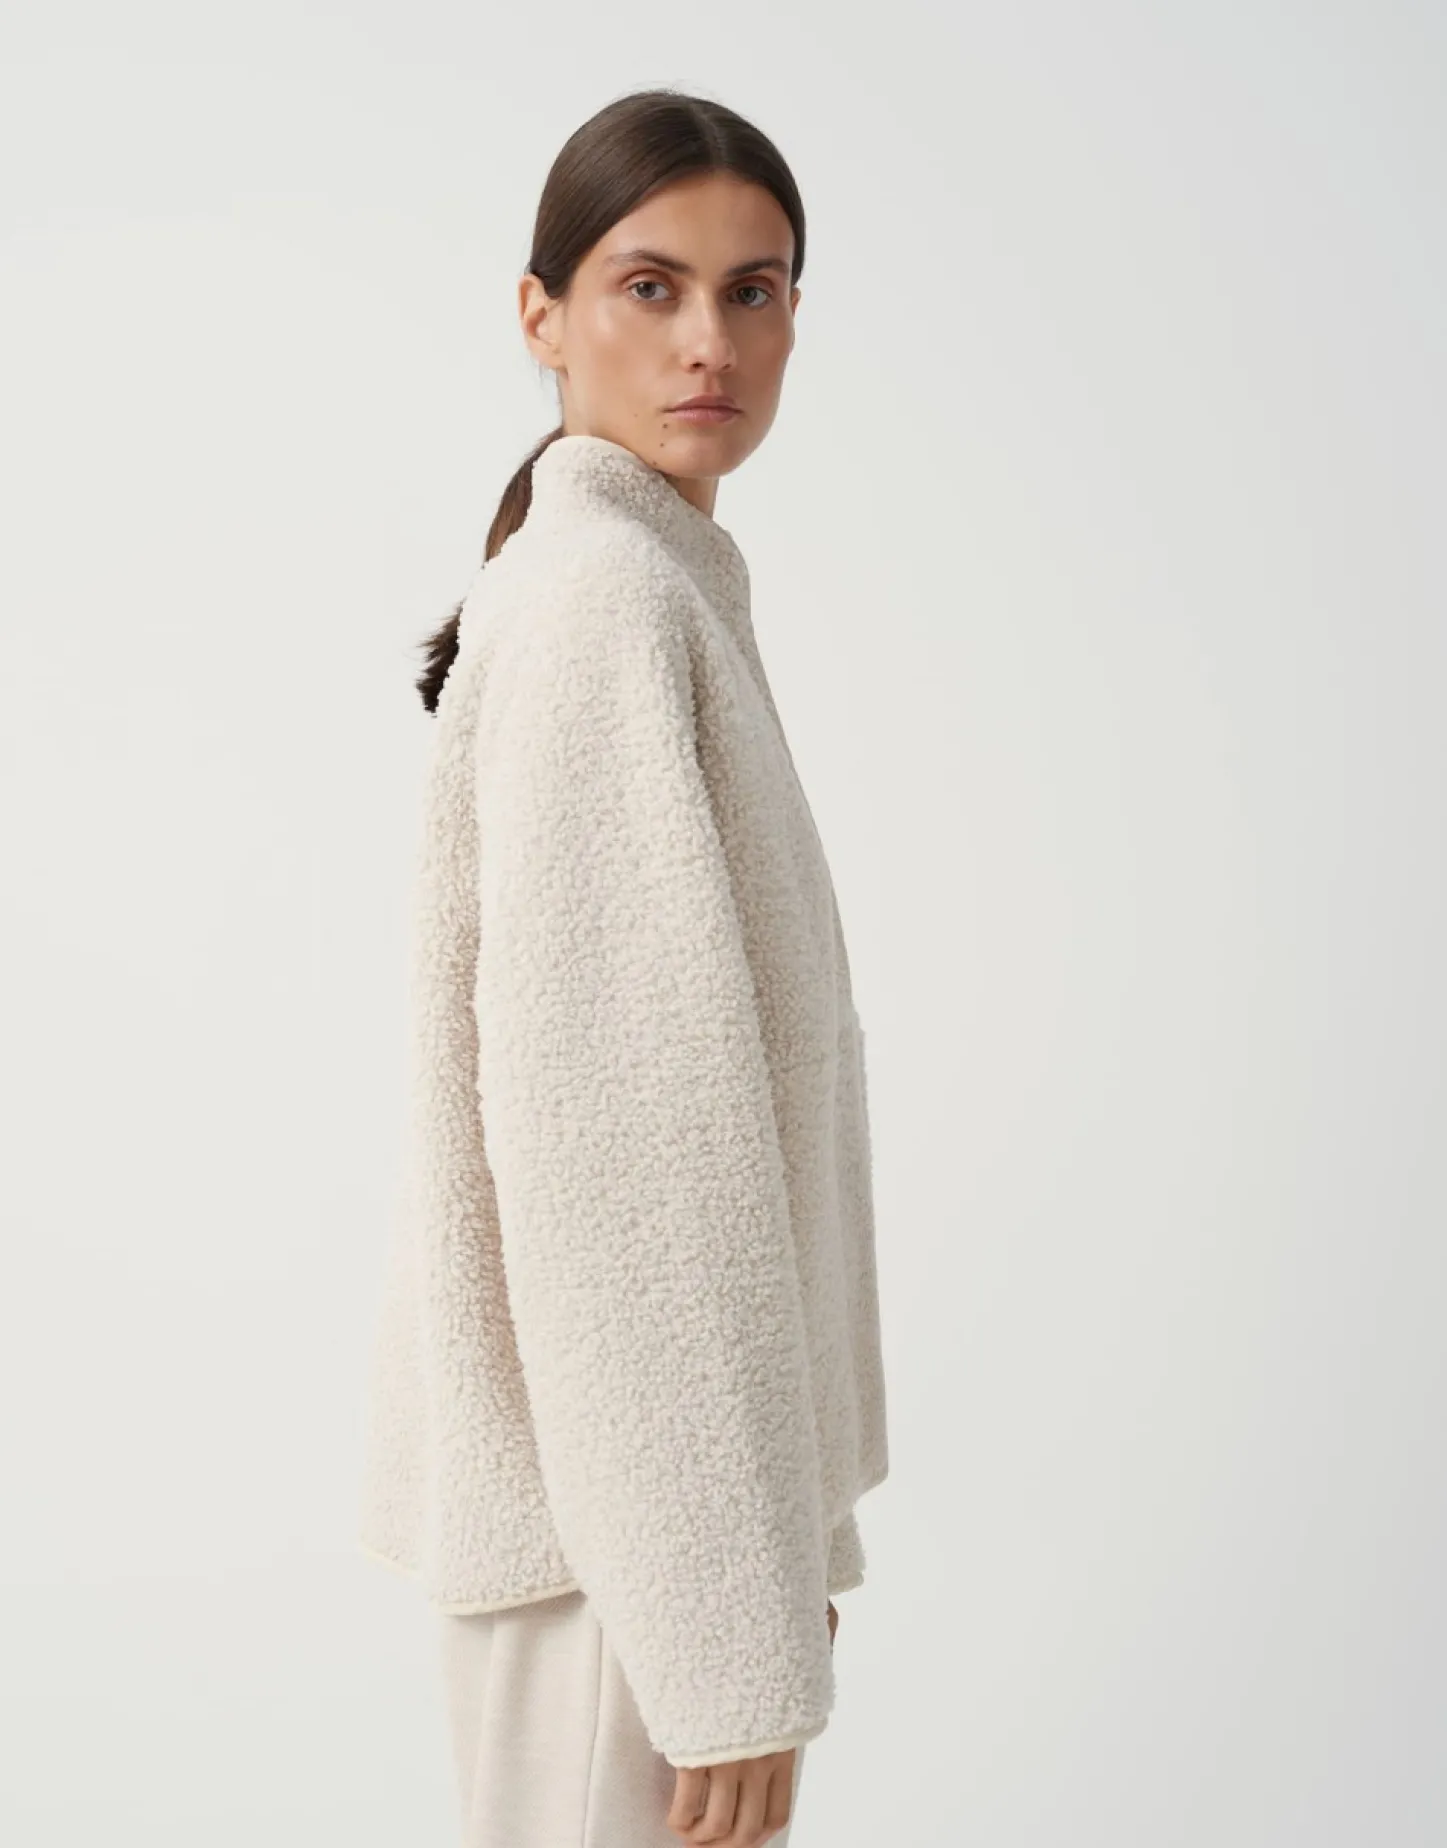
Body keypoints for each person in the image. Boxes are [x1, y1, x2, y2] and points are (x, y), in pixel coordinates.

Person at [357, 87, 889, 1848]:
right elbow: (622, 1166)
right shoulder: (604, 599)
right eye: (647, 287)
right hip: (624, 1553)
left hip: (638, 1534)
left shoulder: (647, 581)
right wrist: (723, 1620)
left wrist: (768, 1547)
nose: (707, 341)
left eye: (754, 291)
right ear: (543, 315)